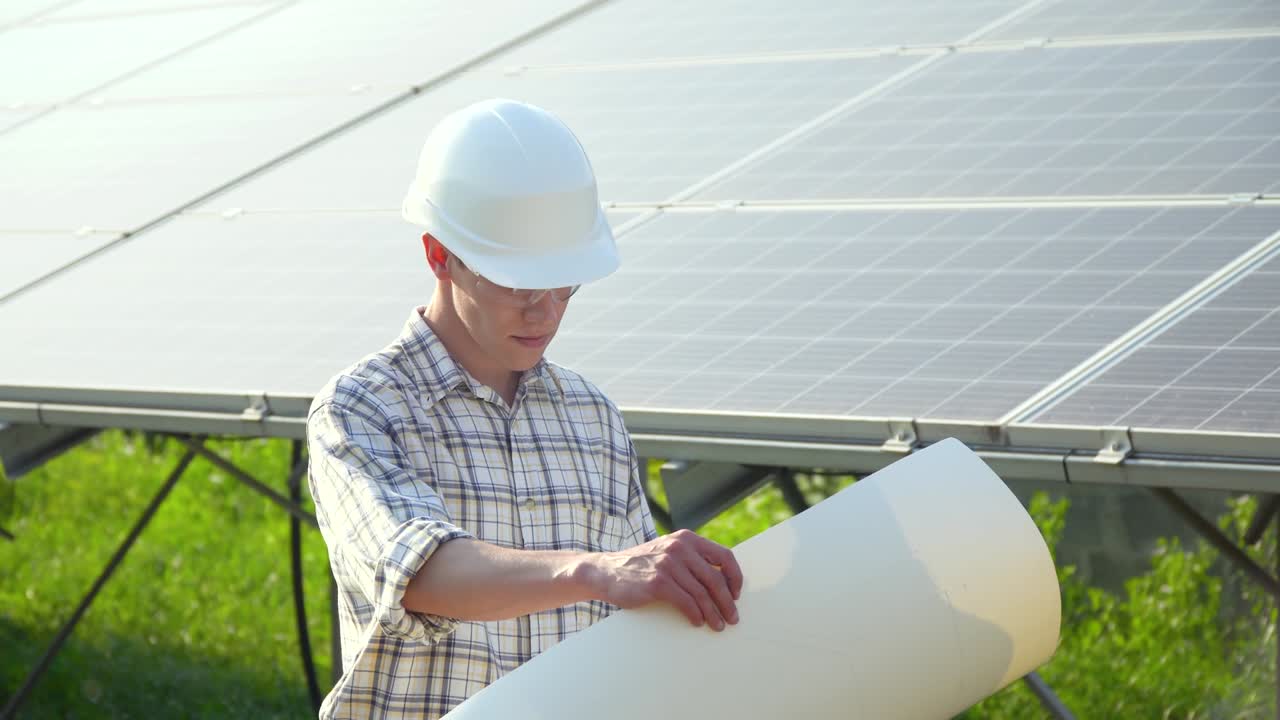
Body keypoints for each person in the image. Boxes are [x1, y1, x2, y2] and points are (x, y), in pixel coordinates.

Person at [306, 98, 743, 720]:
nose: (544, 309)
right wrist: (593, 571)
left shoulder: (591, 418)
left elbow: (640, 614)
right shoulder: (362, 409)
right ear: (438, 255)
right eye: (515, 282)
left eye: (564, 280)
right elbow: (420, 574)